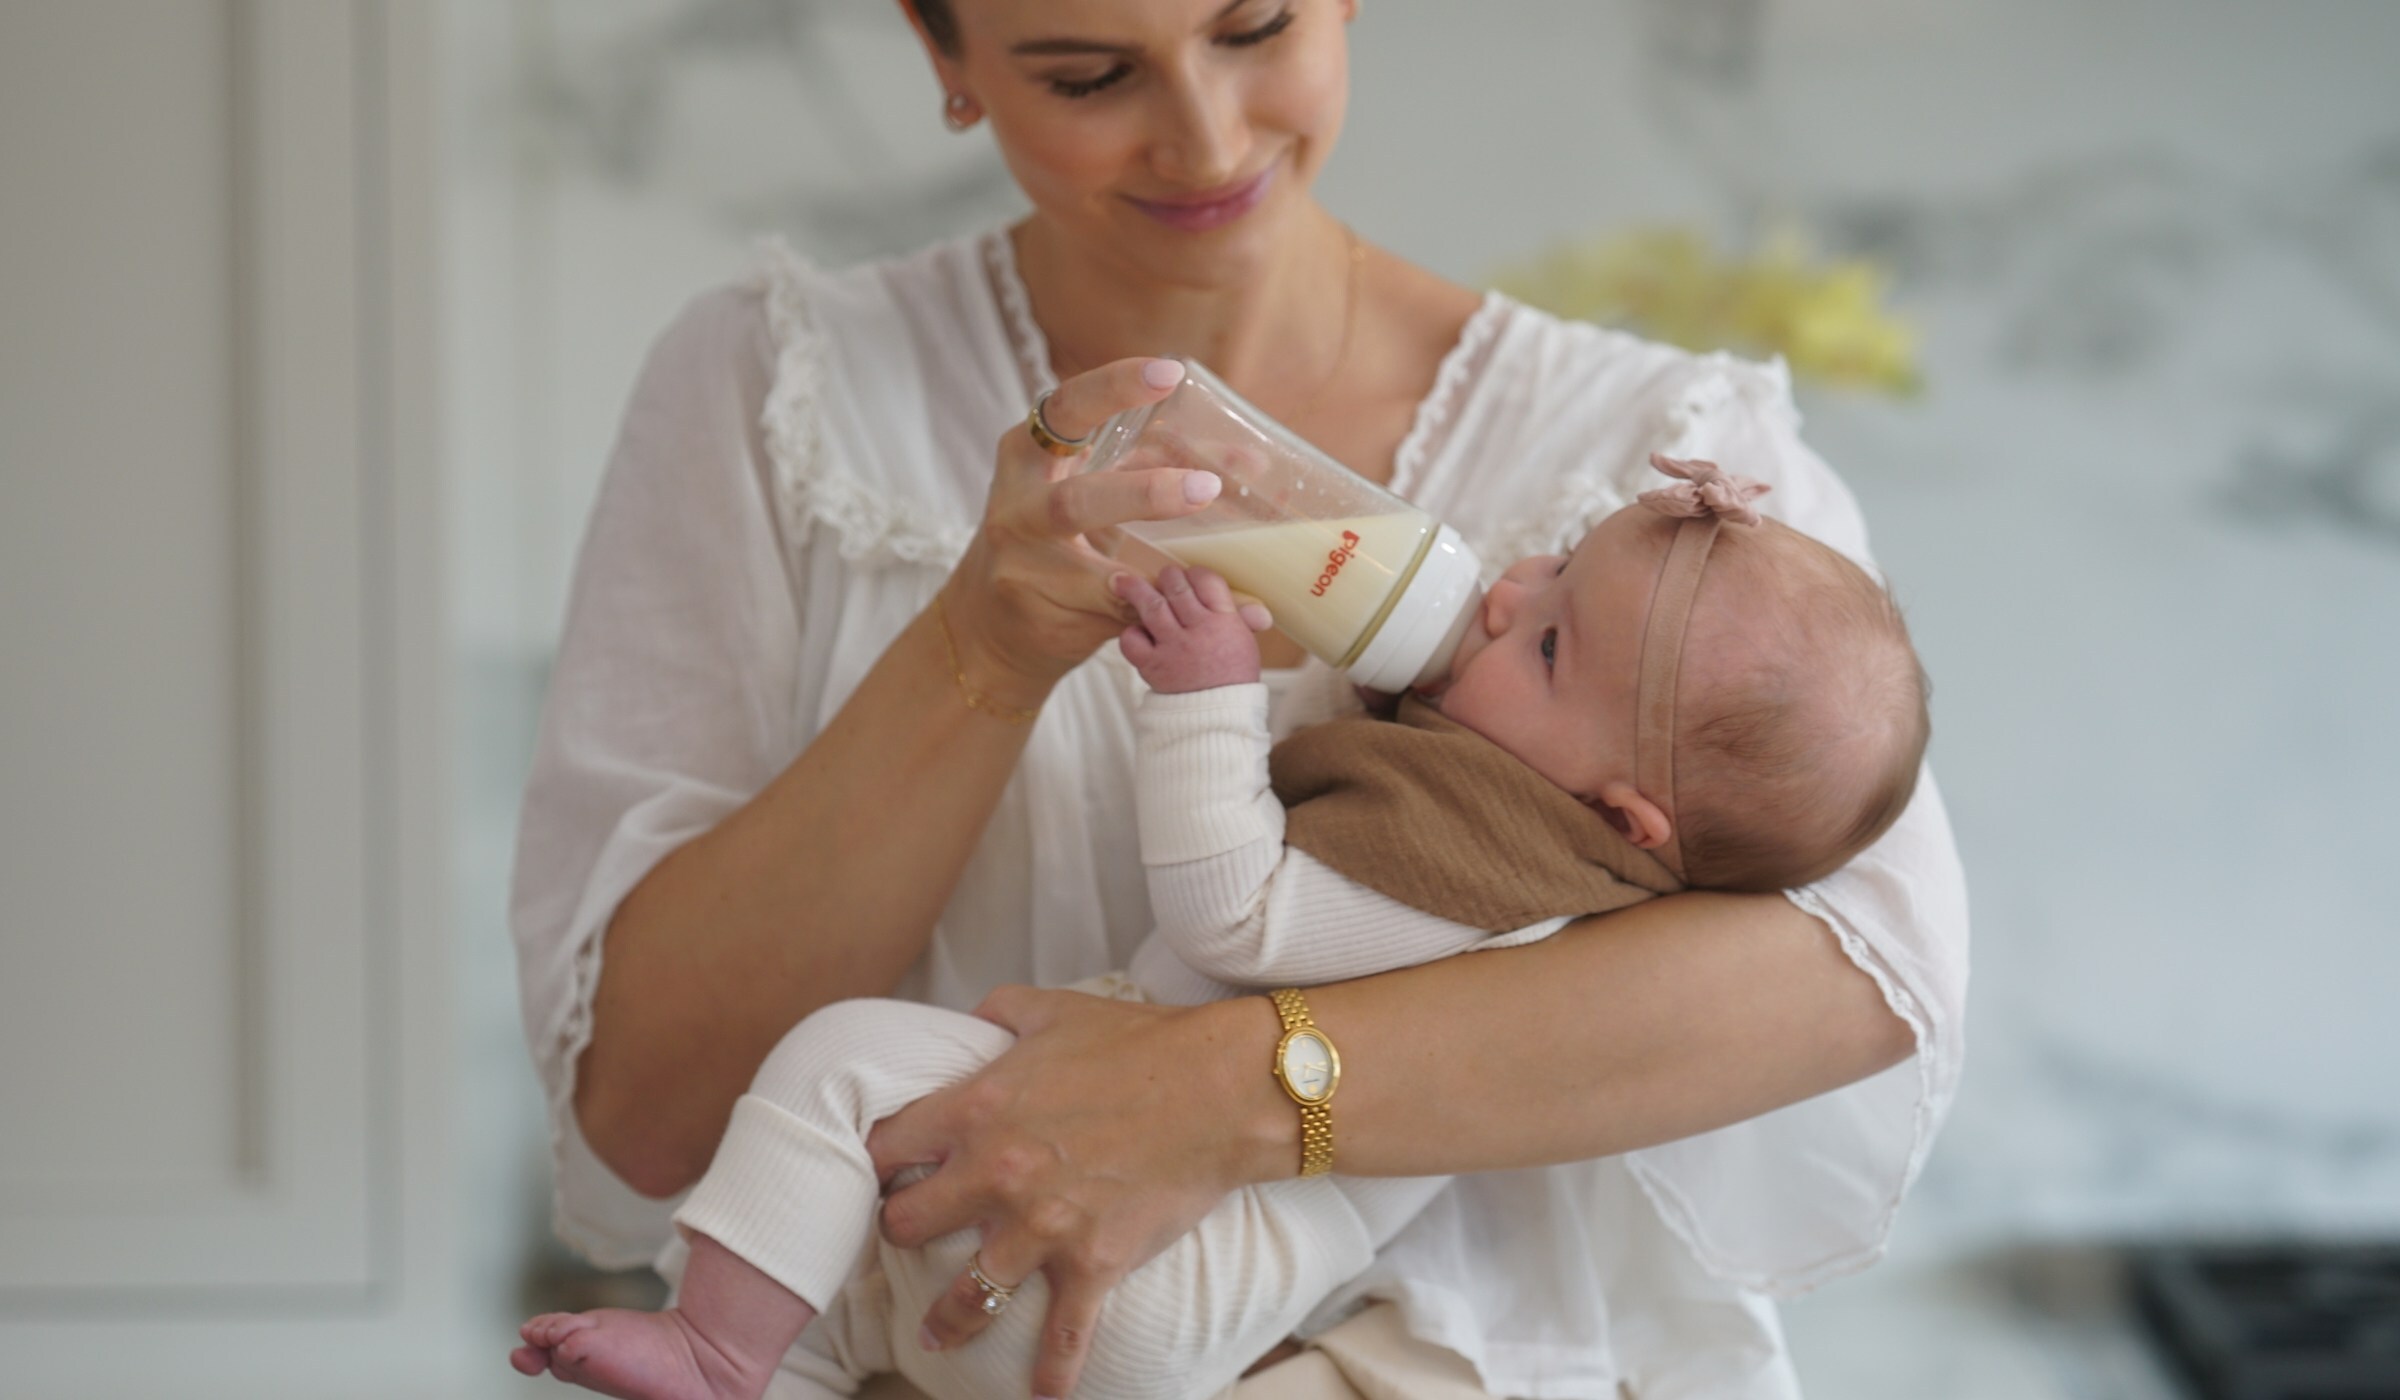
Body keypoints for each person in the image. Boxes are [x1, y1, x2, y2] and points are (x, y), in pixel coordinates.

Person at [508, 2, 1970, 1397]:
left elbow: (1866, 973)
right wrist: (980, 655)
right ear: (941, 49)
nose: (1204, 143)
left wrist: (1210, 1092)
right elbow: (651, 1116)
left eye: (1255, 26)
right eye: (1089, 74)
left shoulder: (1670, 462)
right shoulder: (779, 394)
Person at [509, 464, 1931, 1400]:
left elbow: (1240, 914)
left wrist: (1207, 697)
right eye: (1553, 570)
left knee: (846, 1061)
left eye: (1549, 644)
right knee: (872, 1282)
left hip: (1165, 1280)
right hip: (1138, 1285)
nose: (1505, 595)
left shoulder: (1483, 865)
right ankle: (763, 1367)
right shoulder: (1512, 819)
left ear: (1624, 820)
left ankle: (713, 1344)